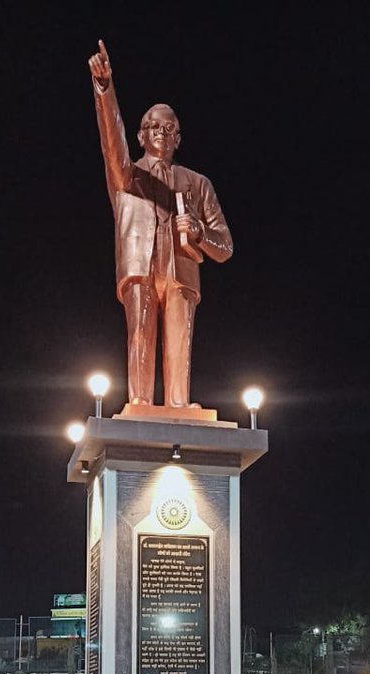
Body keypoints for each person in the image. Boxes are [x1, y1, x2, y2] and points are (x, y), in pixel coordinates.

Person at [88, 40, 233, 409]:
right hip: (140, 265)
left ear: (178, 138)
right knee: (140, 334)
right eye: (152, 127)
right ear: (140, 135)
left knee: (180, 341)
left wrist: (199, 232)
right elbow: (111, 142)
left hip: (181, 270)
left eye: (169, 129)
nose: (160, 133)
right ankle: (138, 401)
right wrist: (105, 89)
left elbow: (225, 247)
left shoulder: (198, 183)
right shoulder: (127, 176)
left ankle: (179, 406)